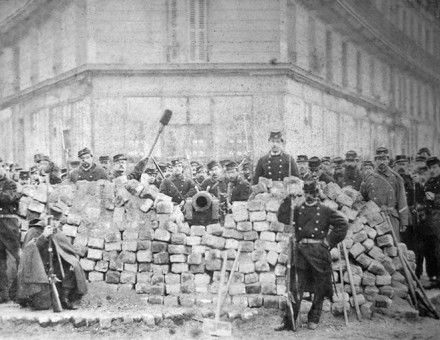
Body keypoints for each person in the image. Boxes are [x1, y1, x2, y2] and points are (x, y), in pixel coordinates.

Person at [276, 181, 348, 330]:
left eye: (312, 193)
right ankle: (290, 321)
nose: (309, 196)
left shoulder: (325, 210)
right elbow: (282, 217)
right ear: (303, 193)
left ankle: (314, 318)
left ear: (317, 194)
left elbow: (343, 223)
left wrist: (328, 242)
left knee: (320, 288)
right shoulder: (298, 208)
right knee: (296, 287)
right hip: (301, 252)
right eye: (307, 193)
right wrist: (288, 199)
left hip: (319, 252)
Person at [16, 219, 87, 310]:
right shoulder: (33, 232)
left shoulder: (57, 232)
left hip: (54, 272)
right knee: (42, 305)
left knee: (72, 263)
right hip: (37, 274)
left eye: (58, 219)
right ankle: (31, 299)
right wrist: (43, 237)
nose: (56, 222)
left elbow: (66, 251)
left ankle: (64, 298)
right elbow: (28, 254)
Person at [360, 152, 408, 241]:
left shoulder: (396, 178)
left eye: (384, 159)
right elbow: (363, 198)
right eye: (379, 159)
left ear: (388, 160)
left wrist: (404, 221)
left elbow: (402, 200)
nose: (382, 162)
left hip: (391, 217)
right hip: (374, 219)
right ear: (375, 161)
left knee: (394, 245)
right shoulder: (369, 178)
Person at [412, 166, 438, 283]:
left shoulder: (433, 184)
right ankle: (424, 275)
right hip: (422, 224)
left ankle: (435, 277)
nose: (422, 177)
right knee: (422, 249)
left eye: (424, 174)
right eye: (420, 174)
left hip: (434, 222)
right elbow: (416, 200)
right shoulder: (417, 186)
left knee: (434, 250)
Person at [0, 164, 21, 303]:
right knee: (0, 262)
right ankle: (3, 295)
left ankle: (20, 292)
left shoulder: (10, 183)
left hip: (9, 224)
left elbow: (7, 198)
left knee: (18, 258)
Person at [424, 156, 440, 287]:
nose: (432, 170)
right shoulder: (429, 182)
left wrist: (435, 198)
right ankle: (434, 278)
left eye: (435, 167)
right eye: (430, 168)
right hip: (430, 222)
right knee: (430, 250)